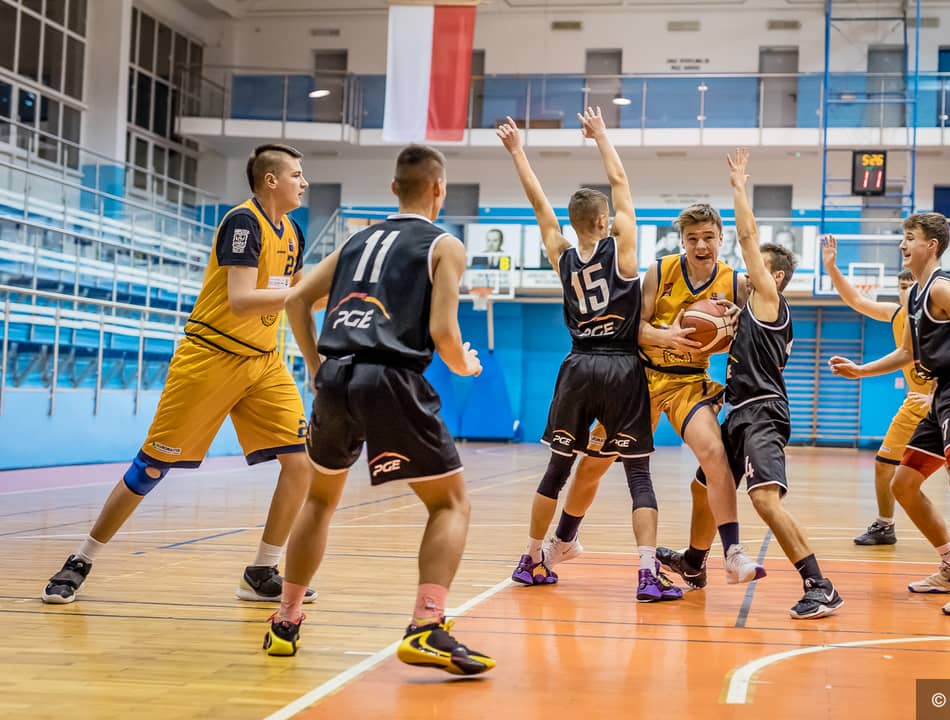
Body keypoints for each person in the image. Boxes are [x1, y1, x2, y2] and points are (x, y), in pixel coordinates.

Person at [41, 144, 317, 606]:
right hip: (210, 357)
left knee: (300, 463)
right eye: (296, 174)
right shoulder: (243, 223)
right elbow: (242, 301)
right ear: (271, 181)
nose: (304, 182)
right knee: (151, 466)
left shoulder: (293, 232)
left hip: (264, 362)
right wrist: (309, 289)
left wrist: (322, 344)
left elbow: (300, 301)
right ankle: (80, 560)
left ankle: (261, 570)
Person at [264, 145, 495, 674]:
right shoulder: (444, 245)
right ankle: (426, 627)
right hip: (391, 378)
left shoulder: (356, 239)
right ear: (439, 188)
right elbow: (443, 332)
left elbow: (296, 298)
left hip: (336, 378)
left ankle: (285, 621)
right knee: (450, 504)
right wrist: (466, 365)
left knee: (319, 500)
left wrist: (315, 364)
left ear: (394, 188)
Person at [497, 109, 681, 603]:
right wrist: (601, 136)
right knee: (637, 472)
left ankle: (531, 558)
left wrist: (517, 151)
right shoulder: (622, 252)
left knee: (556, 471)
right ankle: (647, 573)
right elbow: (620, 182)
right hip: (621, 365)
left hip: (577, 365)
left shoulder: (560, 253)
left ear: (574, 223)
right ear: (604, 222)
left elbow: (538, 203)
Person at [550, 199, 764, 592]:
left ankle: (733, 552)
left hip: (689, 382)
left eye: (709, 237)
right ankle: (563, 540)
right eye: (693, 238)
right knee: (593, 465)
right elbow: (631, 328)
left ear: (722, 239)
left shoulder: (736, 283)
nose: (701, 245)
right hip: (642, 380)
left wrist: (736, 325)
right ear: (682, 241)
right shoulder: (660, 271)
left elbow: (756, 335)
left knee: (714, 453)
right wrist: (666, 336)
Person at [830, 212, 950, 615]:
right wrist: (861, 370)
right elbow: (908, 353)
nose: (902, 244)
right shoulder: (913, 295)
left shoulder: (944, 289)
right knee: (904, 483)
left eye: (909, 237)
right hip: (940, 391)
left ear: (931, 245)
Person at [721, 149, 843, 618]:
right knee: (706, 484)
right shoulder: (752, 309)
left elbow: (747, 237)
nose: (746, 272)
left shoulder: (768, 298)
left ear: (773, 276)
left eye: (755, 267)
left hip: (762, 411)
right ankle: (692, 561)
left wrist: (738, 186)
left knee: (764, 499)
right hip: (740, 410)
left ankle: (820, 584)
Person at [821, 236, 930, 545]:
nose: (906, 292)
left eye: (912, 286)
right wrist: (832, 267)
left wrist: (936, 396)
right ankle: (885, 526)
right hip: (914, 404)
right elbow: (856, 300)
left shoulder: (939, 317)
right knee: (884, 464)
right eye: (902, 287)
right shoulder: (897, 315)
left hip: (944, 403)